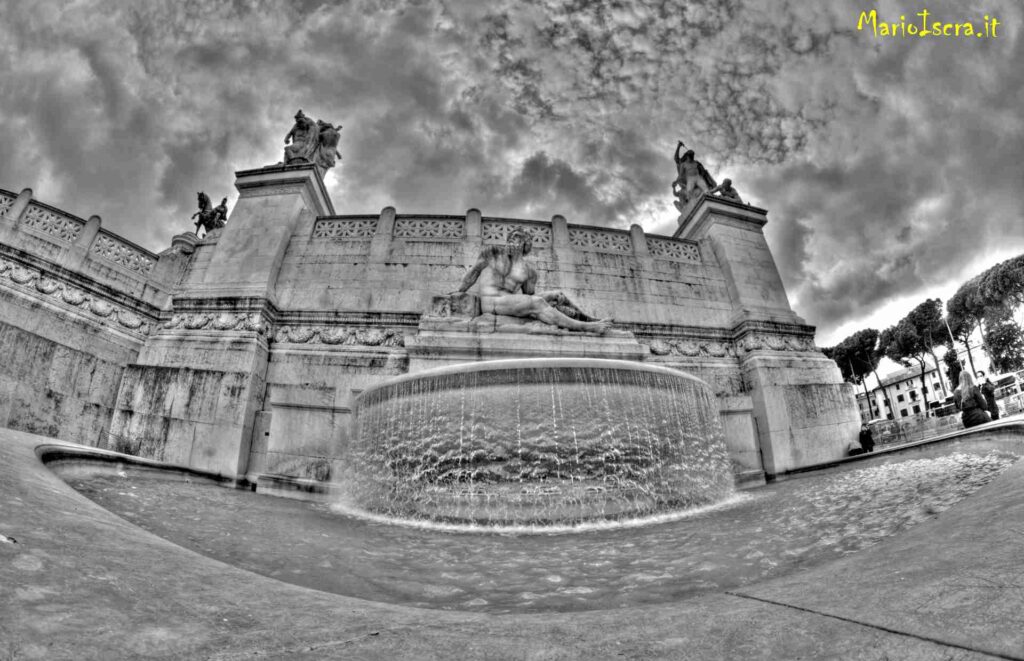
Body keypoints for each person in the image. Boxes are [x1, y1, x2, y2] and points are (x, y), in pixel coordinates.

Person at [457, 229, 612, 334]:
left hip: (509, 302)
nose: (513, 240)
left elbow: (530, 296)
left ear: (526, 244)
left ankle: (590, 319)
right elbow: (473, 274)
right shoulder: (492, 253)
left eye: (518, 238)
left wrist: (551, 297)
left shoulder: (529, 271)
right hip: (491, 302)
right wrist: (459, 292)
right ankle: (586, 327)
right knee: (537, 303)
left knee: (557, 295)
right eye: (511, 237)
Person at [672, 141, 716, 209]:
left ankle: (709, 196)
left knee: (705, 189)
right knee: (689, 192)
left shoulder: (695, 163)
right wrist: (678, 146)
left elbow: (702, 172)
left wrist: (702, 170)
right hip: (688, 181)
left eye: (691, 156)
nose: (690, 158)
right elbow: (676, 158)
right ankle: (691, 204)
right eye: (689, 156)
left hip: (697, 179)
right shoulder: (683, 164)